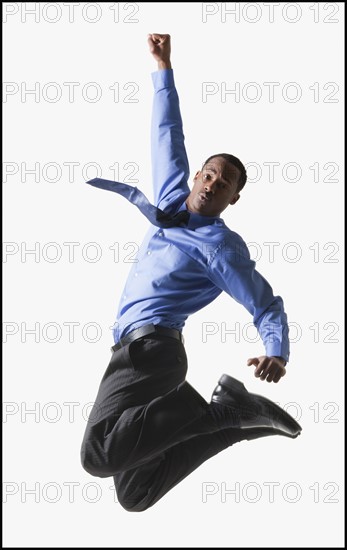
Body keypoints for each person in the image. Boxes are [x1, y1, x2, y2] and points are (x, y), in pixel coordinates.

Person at [80, 33, 302, 512]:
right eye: (210, 173)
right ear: (197, 174)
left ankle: (220, 410)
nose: (212, 183)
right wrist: (162, 67)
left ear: (232, 199)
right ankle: (231, 418)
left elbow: (265, 303)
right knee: (134, 492)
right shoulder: (169, 196)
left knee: (98, 455)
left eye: (224, 184)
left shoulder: (220, 246)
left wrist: (276, 351)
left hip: (152, 352)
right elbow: (167, 133)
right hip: (131, 351)